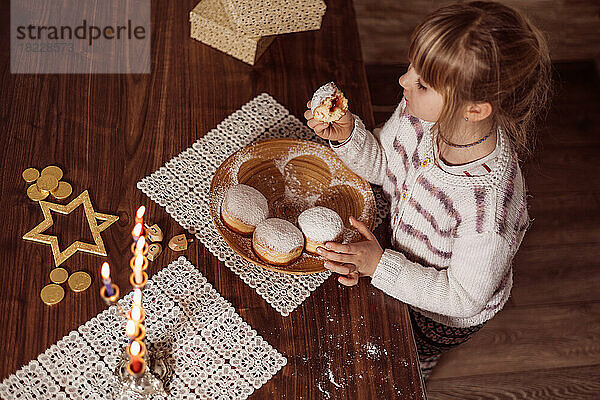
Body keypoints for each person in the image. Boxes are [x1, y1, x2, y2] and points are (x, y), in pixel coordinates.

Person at [304, 1, 551, 381]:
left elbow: (462, 297)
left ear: (474, 110)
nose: (404, 81)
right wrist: (351, 138)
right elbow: (384, 165)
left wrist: (378, 265)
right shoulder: (418, 115)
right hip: (395, 256)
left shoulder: (488, 210)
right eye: (411, 67)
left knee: (408, 350)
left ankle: (421, 366)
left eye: (422, 82)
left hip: (441, 313)